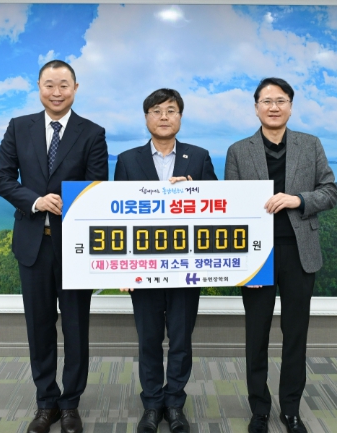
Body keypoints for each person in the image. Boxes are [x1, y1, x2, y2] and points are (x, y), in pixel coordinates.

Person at [0, 60, 108, 433]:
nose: (56, 92)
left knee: (75, 328)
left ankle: (70, 403)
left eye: (63, 85)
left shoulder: (93, 132)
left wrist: (61, 202)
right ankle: (46, 403)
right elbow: (2, 178)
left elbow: (96, 187)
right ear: (38, 87)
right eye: (49, 85)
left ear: (75, 88)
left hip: (74, 248)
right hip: (33, 245)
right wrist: (35, 201)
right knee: (39, 327)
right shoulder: (18, 126)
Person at [225, 78, 337, 433]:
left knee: (295, 335)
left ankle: (291, 409)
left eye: (281, 100)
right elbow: (230, 206)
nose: (273, 107)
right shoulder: (238, 151)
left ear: (290, 106)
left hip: (299, 253)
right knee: (256, 335)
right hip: (256, 256)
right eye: (267, 101)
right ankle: (259, 409)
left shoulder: (310, 144)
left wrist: (298, 199)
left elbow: (330, 192)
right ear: (256, 107)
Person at [114, 89, 217, 433]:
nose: (163, 117)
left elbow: (220, 205)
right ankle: (151, 404)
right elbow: (117, 216)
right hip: (143, 267)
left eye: (171, 110)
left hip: (187, 266)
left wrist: (194, 188)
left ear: (180, 117)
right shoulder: (127, 160)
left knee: (181, 340)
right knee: (148, 339)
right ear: (146, 117)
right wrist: (123, 266)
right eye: (156, 111)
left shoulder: (198, 157)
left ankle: (174, 404)